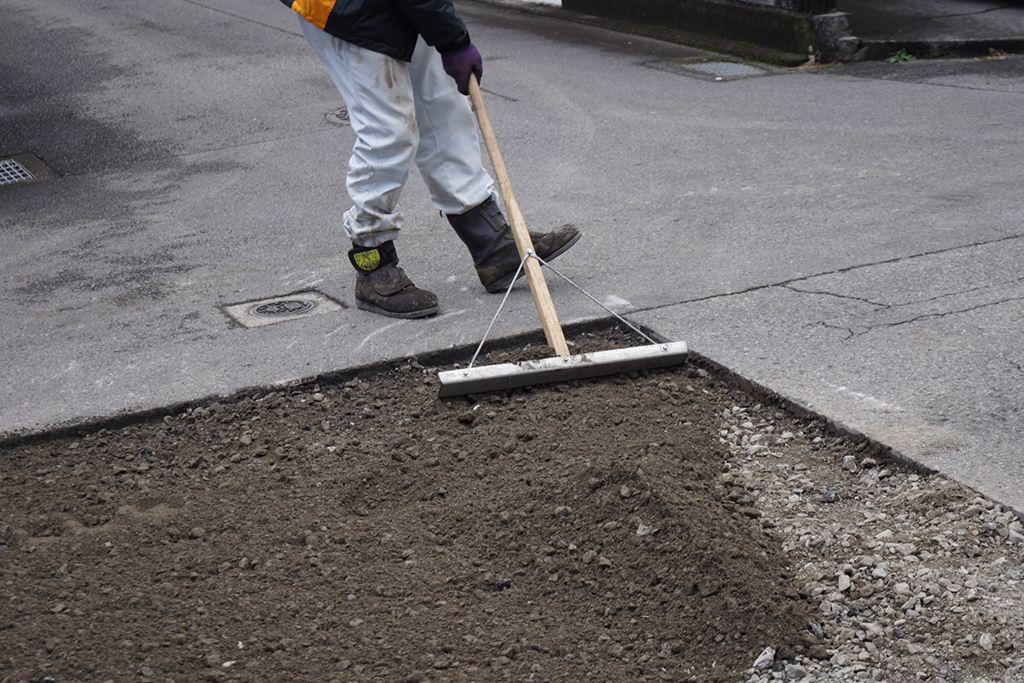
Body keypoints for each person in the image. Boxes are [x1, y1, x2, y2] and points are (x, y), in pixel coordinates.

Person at [282, 0, 581, 319]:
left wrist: (447, 35)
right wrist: (455, 40)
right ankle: (373, 261)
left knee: (443, 102)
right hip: (344, 8)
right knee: (389, 129)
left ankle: (490, 242)